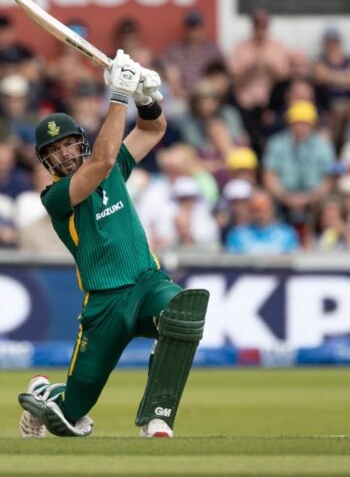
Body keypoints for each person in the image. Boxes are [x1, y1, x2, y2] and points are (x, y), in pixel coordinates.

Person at [17, 50, 210, 439]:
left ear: (80, 143)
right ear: (44, 161)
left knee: (181, 316)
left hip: (146, 281)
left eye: (68, 145)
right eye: (53, 152)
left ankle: (157, 417)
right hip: (105, 303)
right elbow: (101, 163)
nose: (63, 155)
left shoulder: (115, 165)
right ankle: (45, 396)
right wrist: (120, 96)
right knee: (70, 417)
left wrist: (145, 99)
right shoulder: (56, 197)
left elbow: (153, 130)